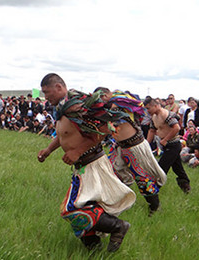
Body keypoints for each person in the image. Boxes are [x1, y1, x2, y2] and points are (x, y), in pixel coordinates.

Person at [37, 73, 135, 251]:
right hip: (82, 167)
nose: (45, 97)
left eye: (47, 92)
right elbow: (63, 135)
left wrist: (77, 151)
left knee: (71, 209)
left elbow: (103, 130)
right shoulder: (63, 109)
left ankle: (118, 227)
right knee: (82, 206)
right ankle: (93, 249)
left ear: (59, 87)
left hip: (92, 164)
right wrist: (48, 150)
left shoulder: (78, 106)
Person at [94, 87, 167, 216]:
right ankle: (115, 204)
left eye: (100, 98)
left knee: (143, 178)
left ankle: (155, 207)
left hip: (135, 147)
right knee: (112, 173)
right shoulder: (110, 107)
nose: (99, 102)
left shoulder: (121, 102)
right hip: (120, 147)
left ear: (105, 94)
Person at [144, 97, 191, 194]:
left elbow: (176, 128)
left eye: (149, 108)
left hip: (173, 145)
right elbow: (152, 130)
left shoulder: (166, 114)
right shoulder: (154, 117)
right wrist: (146, 144)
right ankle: (186, 187)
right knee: (177, 168)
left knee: (161, 167)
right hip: (166, 146)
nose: (147, 111)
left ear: (156, 106)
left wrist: (166, 139)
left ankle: (153, 192)